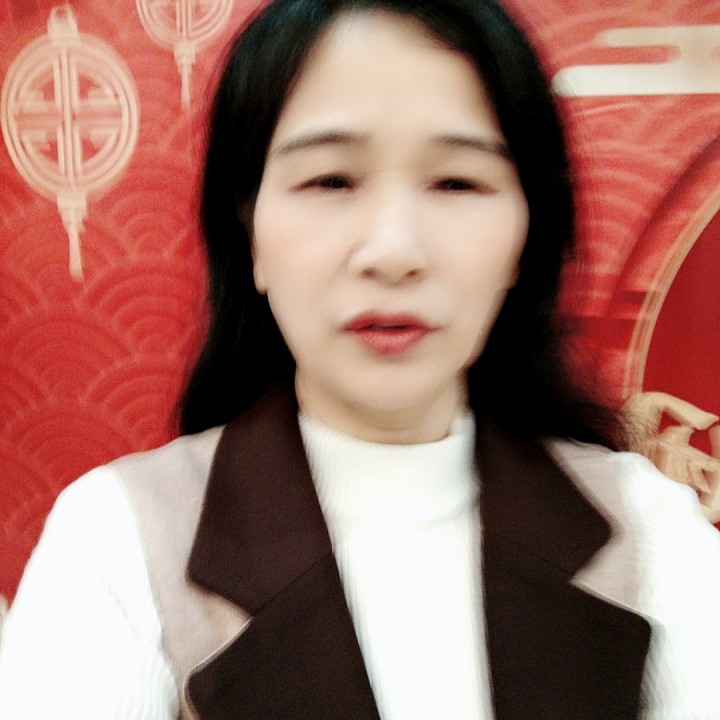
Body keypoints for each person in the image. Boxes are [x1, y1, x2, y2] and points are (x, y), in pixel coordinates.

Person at [1, 0, 719, 718]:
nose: (394, 251)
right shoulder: (121, 539)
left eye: (456, 182)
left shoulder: (648, 530)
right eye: (331, 181)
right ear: (249, 236)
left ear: (525, 241)